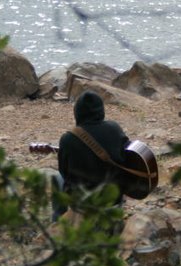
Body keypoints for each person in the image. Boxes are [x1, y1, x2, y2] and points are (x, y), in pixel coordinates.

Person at [52, 90, 130, 220]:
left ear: (77, 113)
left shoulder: (68, 138)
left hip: (82, 203)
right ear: (101, 111)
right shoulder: (115, 128)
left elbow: (64, 171)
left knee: (57, 177)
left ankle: (58, 220)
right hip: (113, 199)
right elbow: (125, 157)